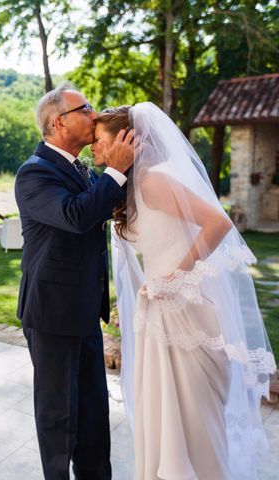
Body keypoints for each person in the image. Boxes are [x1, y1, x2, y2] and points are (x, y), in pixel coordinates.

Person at [95, 103, 276, 479]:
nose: (93, 149)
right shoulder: (132, 185)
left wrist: (173, 279)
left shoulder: (153, 181)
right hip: (159, 312)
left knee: (194, 422)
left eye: (99, 140)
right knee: (163, 419)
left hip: (185, 312)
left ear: (129, 140)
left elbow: (217, 223)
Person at [14, 84, 135, 480]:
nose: (95, 114)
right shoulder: (33, 173)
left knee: (94, 415)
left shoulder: (81, 168)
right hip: (51, 314)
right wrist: (115, 171)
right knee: (58, 419)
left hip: (83, 310)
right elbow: (76, 216)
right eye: (86, 108)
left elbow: (100, 207)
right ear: (59, 122)